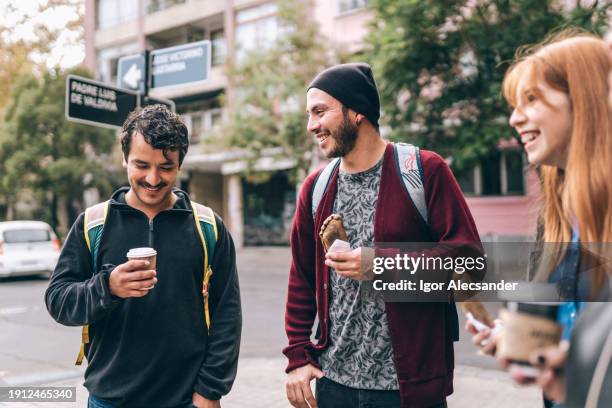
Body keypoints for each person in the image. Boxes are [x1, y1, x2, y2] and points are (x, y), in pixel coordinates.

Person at [284, 62, 482, 408]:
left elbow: (469, 265)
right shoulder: (315, 188)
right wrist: (299, 357)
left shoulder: (424, 171)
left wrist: (379, 264)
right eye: (309, 114)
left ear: (356, 110)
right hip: (334, 384)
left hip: (408, 390)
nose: (311, 125)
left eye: (320, 112)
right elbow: (302, 279)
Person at [45, 105, 242, 408]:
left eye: (166, 167)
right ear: (124, 158)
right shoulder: (93, 224)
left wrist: (210, 389)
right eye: (141, 165)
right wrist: (107, 287)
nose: (153, 179)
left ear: (180, 164)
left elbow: (227, 315)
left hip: (187, 399)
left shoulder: (208, 227)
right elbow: (58, 301)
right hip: (109, 399)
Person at [466, 30, 612, 407]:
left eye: (532, 100)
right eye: (515, 104)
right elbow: (568, 336)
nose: (515, 118)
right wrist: (516, 341)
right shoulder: (562, 221)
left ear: (586, 100)